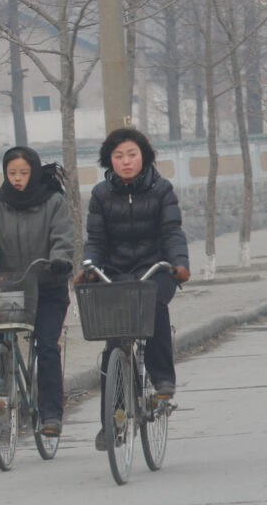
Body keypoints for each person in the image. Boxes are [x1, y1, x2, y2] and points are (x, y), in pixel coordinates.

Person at [76, 128, 190, 452]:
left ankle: (163, 378)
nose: (126, 161)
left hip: (155, 268)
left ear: (144, 156)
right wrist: (88, 267)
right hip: (115, 273)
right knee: (114, 344)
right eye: (118, 156)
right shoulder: (101, 194)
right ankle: (112, 422)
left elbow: (172, 231)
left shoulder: (161, 189)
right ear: (109, 161)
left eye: (131, 154)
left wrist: (179, 263)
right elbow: (95, 240)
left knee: (153, 303)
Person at [0, 147, 74, 438]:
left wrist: (60, 260)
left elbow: (62, 237)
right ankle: (5, 384)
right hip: (12, 289)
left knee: (46, 347)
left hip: (48, 287)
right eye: (12, 173)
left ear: (33, 172)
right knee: (3, 339)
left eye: (23, 172)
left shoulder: (54, 203)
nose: (17, 179)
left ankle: (50, 415)